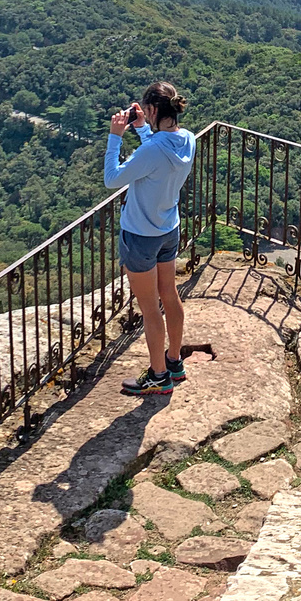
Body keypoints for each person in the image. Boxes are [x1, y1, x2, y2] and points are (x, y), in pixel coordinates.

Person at [105, 81, 196, 397]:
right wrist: (143, 129)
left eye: (146, 110)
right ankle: (174, 362)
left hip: (141, 235)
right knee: (169, 294)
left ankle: (158, 376)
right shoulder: (188, 139)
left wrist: (115, 137)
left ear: (154, 109)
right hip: (169, 229)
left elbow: (112, 179)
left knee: (149, 307)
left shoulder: (153, 150)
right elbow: (158, 157)